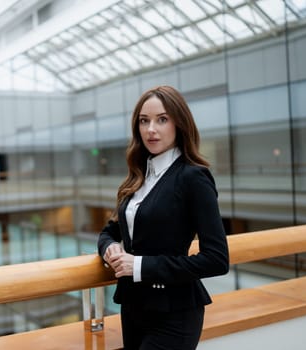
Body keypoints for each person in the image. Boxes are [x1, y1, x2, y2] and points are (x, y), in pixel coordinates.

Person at [97, 85, 229, 350]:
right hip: (134, 309)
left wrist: (139, 266)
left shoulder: (193, 177)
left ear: (179, 123)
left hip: (174, 314)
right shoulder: (139, 176)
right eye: (144, 121)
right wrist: (109, 248)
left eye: (162, 119)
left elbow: (217, 260)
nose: (151, 129)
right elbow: (109, 232)